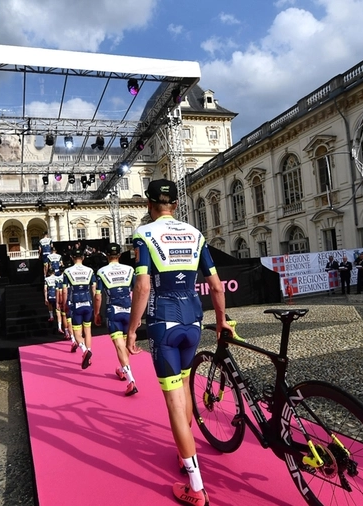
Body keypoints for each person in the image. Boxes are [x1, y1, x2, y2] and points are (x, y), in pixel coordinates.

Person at [128, 179, 231, 506]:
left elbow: (143, 287)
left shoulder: (144, 234)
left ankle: (196, 487)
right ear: (176, 204)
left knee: (174, 401)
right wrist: (222, 320)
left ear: (149, 204)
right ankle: (184, 451)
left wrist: (132, 329)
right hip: (194, 320)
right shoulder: (196, 234)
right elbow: (216, 286)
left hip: (164, 322)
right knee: (186, 388)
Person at [94, 243, 138, 396]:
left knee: (120, 347)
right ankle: (121, 370)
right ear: (119, 255)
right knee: (125, 347)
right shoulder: (130, 270)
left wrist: (96, 313)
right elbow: (137, 292)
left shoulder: (101, 272)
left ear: (106, 255)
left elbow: (98, 296)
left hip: (113, 311)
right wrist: (137, 315)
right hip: (129, 311)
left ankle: (131, 380)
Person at [63, 247, 96, 369]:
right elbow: (93, 288)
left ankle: (84, 351)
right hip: (87, 302)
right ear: (83, 257)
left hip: (75, 303)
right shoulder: (90, 270)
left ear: (72, 258)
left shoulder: (67, 271)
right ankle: (89, 354)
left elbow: (65, 290)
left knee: (77, 332)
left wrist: (64, 303)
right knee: (88, 331)